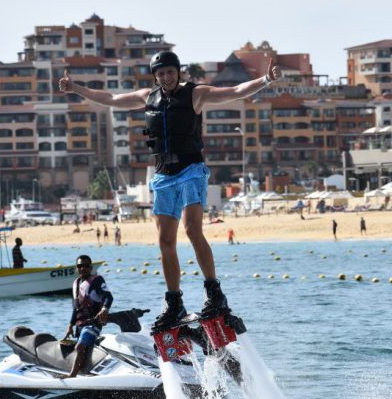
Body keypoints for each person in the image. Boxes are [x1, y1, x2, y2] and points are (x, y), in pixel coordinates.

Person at [60, 50, 282, 330]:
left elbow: (235, 91)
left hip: (191, 170)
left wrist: (265, 80)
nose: (166, 76)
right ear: (155, 76)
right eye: (161, 73)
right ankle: (174, 300)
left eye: (170, 71)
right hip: (163, 175)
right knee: (165, 241)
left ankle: (214, 292)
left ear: (179, 72)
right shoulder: (147, 97)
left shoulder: (195, 94)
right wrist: (75, 88)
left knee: (191, 229)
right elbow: (111, 100)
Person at [63, 255, 113, 378]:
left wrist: (104, 309)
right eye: (80, 266)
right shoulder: (75, 284)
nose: (82, 268)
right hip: (80, 326)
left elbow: (108, 297)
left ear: (90, 267)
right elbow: (75, 308)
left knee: (79, 347)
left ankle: (72, 376)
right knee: (81, 348)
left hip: (93, 323)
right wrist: (70, 325)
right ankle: (85, 372)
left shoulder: (97, 280)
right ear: (76, 268)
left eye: (85, 266)